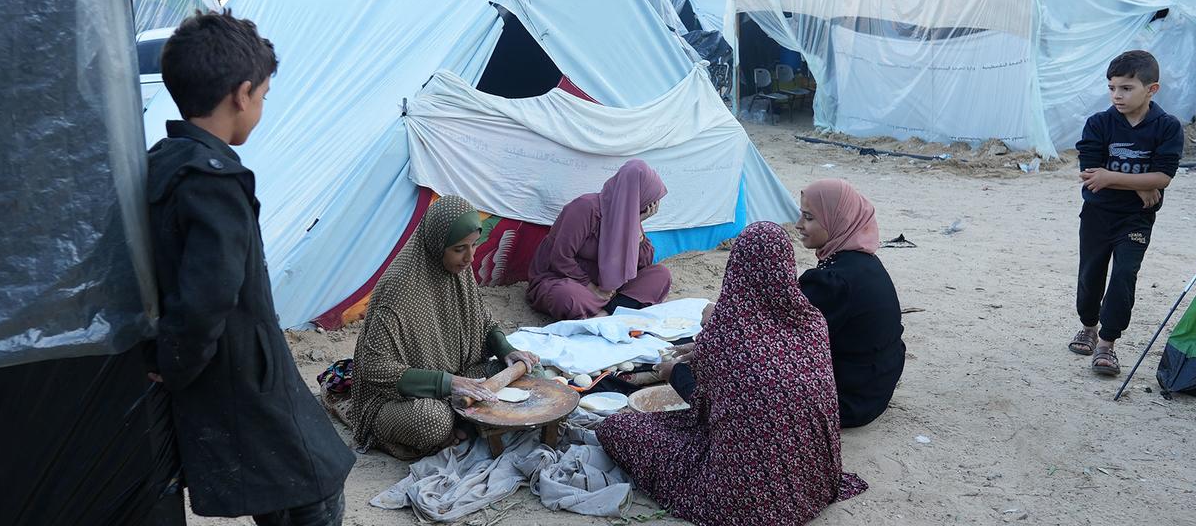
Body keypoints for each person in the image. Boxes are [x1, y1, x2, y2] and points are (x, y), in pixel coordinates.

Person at [144, 11, 353, 525]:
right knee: (312, 494)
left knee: (283, 490)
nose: (259, 108)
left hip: (238, 379)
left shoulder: (163, 160)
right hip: (247, 383)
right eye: (262, 97)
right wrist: (171, 363)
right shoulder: (213, 180)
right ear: (241, 94)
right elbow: (206, 298)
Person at [598, 222, 867, 526]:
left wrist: (675, 372)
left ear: (735, 268)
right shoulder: (812, 323)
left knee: (617, 426)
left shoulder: (728, 333)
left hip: (744, 498)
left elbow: (703, 407)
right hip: (814, 482)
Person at [350, 195, 541, 460]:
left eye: (474, 245)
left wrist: (506, 350)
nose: (469, 258)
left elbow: (483, 320)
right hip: (404, 397)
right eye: (459, 248)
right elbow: (373, 366)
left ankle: (464, 419)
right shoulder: (398, 289)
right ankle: (456, 423)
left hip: (461, 376)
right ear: (437, 245)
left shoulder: (458, 272)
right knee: (432, 421)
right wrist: (446, 383)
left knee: (532, 372)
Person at [1067, 50, 1182, 376]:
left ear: (1152, 89)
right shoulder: (1099, 124)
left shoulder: (1167, 127)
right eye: (1112, 87)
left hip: (1136, 218)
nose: (1117, 95)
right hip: (1097, 215)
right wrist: (1139, 183)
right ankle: (1088, 326)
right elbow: (1092, 176)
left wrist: (1115, 178)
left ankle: (1107, 343)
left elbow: (1164, 178)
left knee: (1123, 276)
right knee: (1090, 273)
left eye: (1127, 88)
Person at [793, 179, 905, 428]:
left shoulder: (834, 281)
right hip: (875, 389)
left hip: (848, 403)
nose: (798, 225)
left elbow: (779, 336)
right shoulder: (865, 263)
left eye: (809, 217)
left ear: (837, 220)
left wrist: (724, 317)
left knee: (693, 370)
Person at [526, 159, 672, 320]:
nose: (650, 207)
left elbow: (644, 264)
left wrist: (636, 227)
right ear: (636, 196)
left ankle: (604, 314)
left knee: (660, 274)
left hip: (609, 291)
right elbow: (560, 257)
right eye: (648, 201)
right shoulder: (584, 208)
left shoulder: (628, 216)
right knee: (566, 296)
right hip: (571, 282)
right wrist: (593, 288)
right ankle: (617, 310)